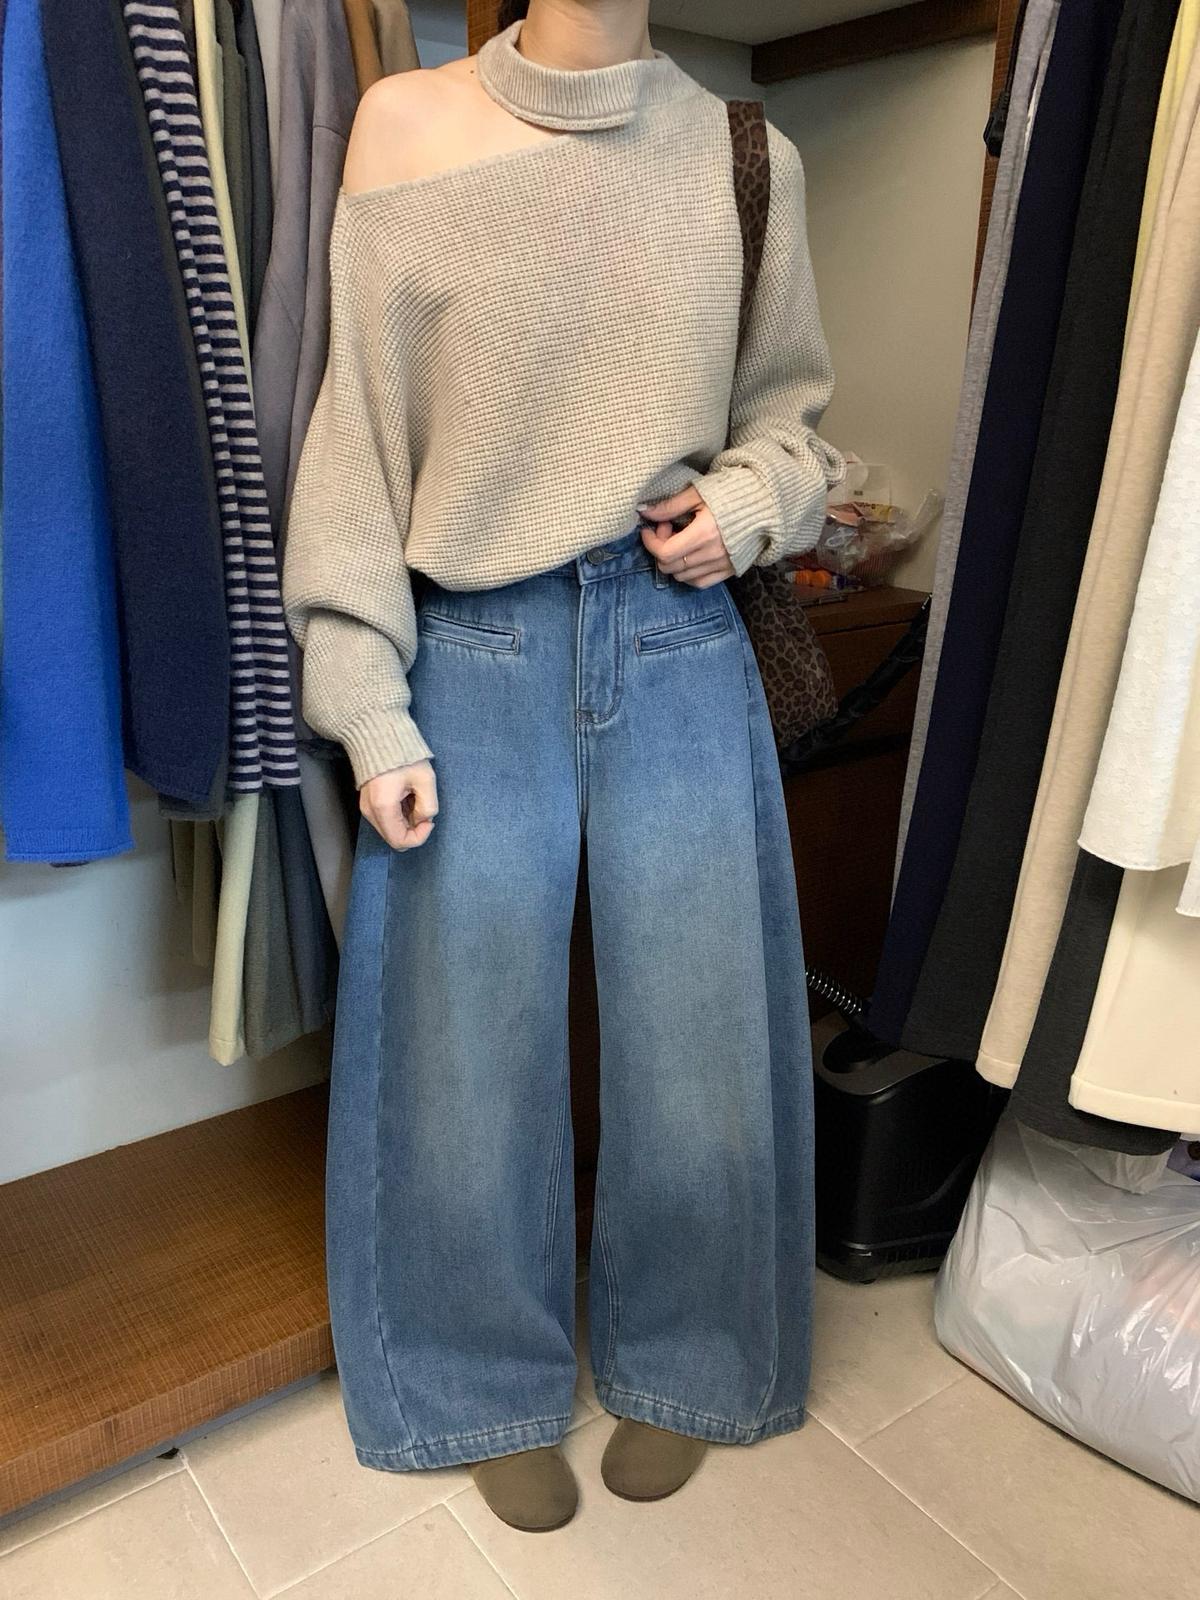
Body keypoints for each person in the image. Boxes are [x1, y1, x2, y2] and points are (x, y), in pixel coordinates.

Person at [283, 0, 843, 1534]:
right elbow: (358, 446)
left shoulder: (747, 154)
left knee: (705, 1036)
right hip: (473, 644)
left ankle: (698, 1358)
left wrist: (750, 504)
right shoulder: (403, 129)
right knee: (460, 1050)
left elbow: (795, 429)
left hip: (674, 632)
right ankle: (472, 1378)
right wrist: (367, 699)